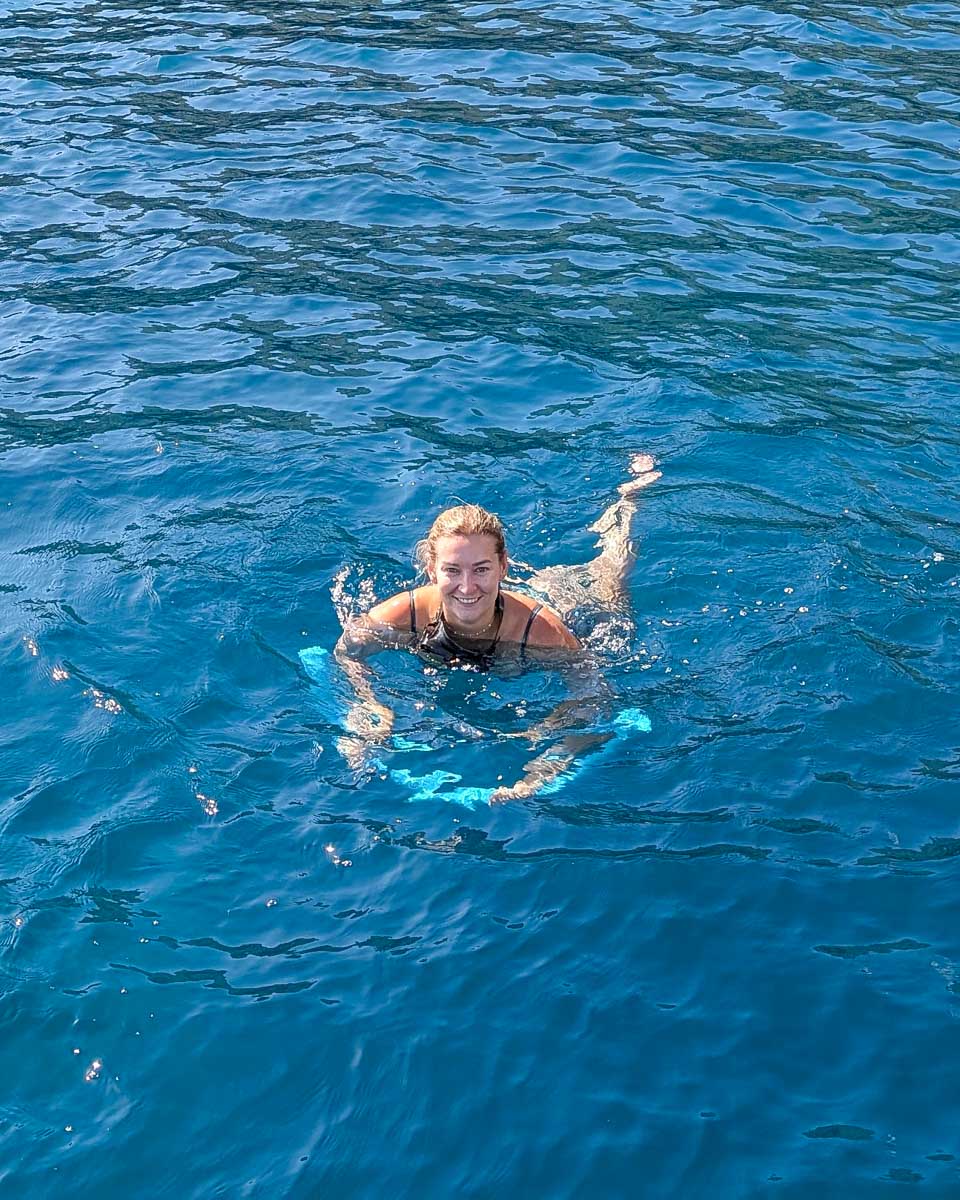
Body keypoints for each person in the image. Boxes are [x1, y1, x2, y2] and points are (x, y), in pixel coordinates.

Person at [333, 453, 661, 798]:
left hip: (571, 605)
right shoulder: (407, 613)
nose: (466, 586)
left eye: (481, 569)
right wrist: (367, 705)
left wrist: (549, 757)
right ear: (432, 570)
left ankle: (630, 497)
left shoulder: (542, 633)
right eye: (452, 570)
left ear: (503, 566)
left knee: (611, 572)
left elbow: (596, 698)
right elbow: (348, 652)